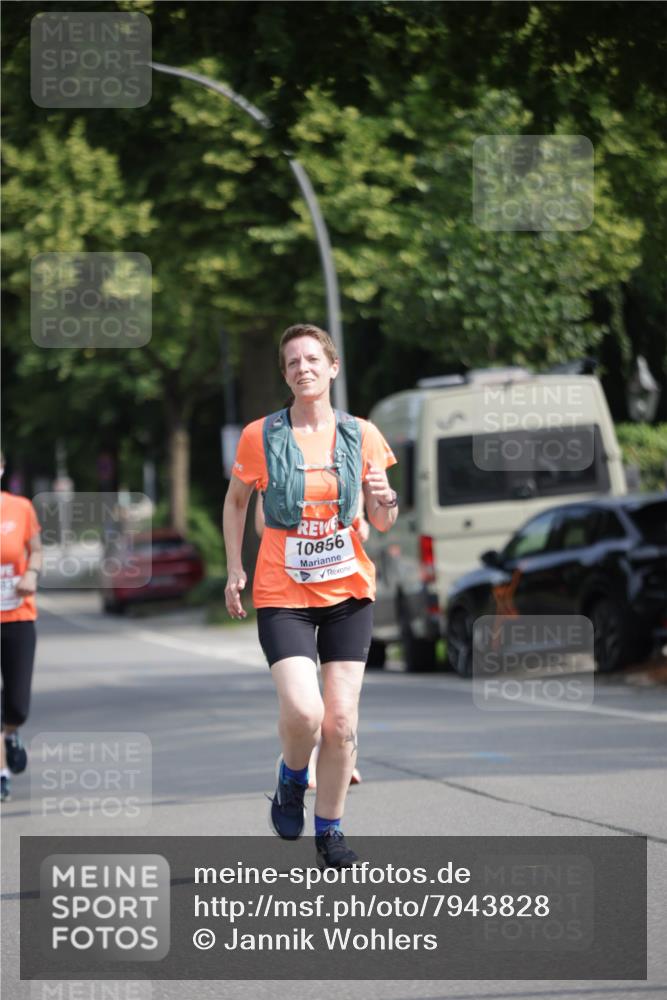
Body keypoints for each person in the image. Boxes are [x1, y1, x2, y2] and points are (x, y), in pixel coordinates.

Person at [223, 324, 398, 869]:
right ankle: (291, 777)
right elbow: (233, 504)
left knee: (340, 723)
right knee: (305, 712)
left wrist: (386, 500)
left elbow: (383, 521)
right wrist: (234, 570)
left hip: (348, 590)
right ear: (285, 374)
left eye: (312, 359)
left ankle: (331, 830)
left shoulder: (362, 435)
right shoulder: (261, 435)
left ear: (332, 367)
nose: (303, 368)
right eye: (293, 362)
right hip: (283, 592)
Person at [254, 491, 364, 789]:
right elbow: (261, 526)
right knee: (305, 702)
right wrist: (303, 526)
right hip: (289, 594)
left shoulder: (347, 455)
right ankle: (302, 761)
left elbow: (363, 525)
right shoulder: (276, 455)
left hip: (339, 592)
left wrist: (353, 523)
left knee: (340, 703)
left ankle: (333, 757)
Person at [0, 450, 42, 802]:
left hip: (18, 615)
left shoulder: (20, 508)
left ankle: (11, 732)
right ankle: (1, 772)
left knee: (17, 704)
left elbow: (37, 550)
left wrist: (30, 572)